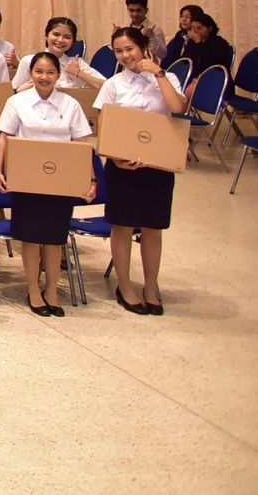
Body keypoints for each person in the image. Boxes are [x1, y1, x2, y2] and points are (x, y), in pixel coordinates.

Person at [0, 50, 96, 316]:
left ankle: (52, 289)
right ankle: (33, 289)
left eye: (50, 72)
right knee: (30, 237)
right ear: (31, 73)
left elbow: (81, 142)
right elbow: (4, 137)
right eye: (39, 71)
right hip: (26, 178)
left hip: (60, 180)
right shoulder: (17, 102)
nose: (44, 77)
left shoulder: (70, 104)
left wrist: (91, 178)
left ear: (58, 75)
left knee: (53, 237)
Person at [95, 26, 187, 314]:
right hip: (123, 166)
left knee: (153, 228)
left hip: (158, 165)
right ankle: (125, 286)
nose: (125, 55)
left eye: (129, 49)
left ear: (143, 48)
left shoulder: (168, 77)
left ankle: (150, 286)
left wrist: (158, 74)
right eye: (119, 51)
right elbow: (103, 127)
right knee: (122, 226)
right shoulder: (113, 84)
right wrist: (114, 157)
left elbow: (177, 108)